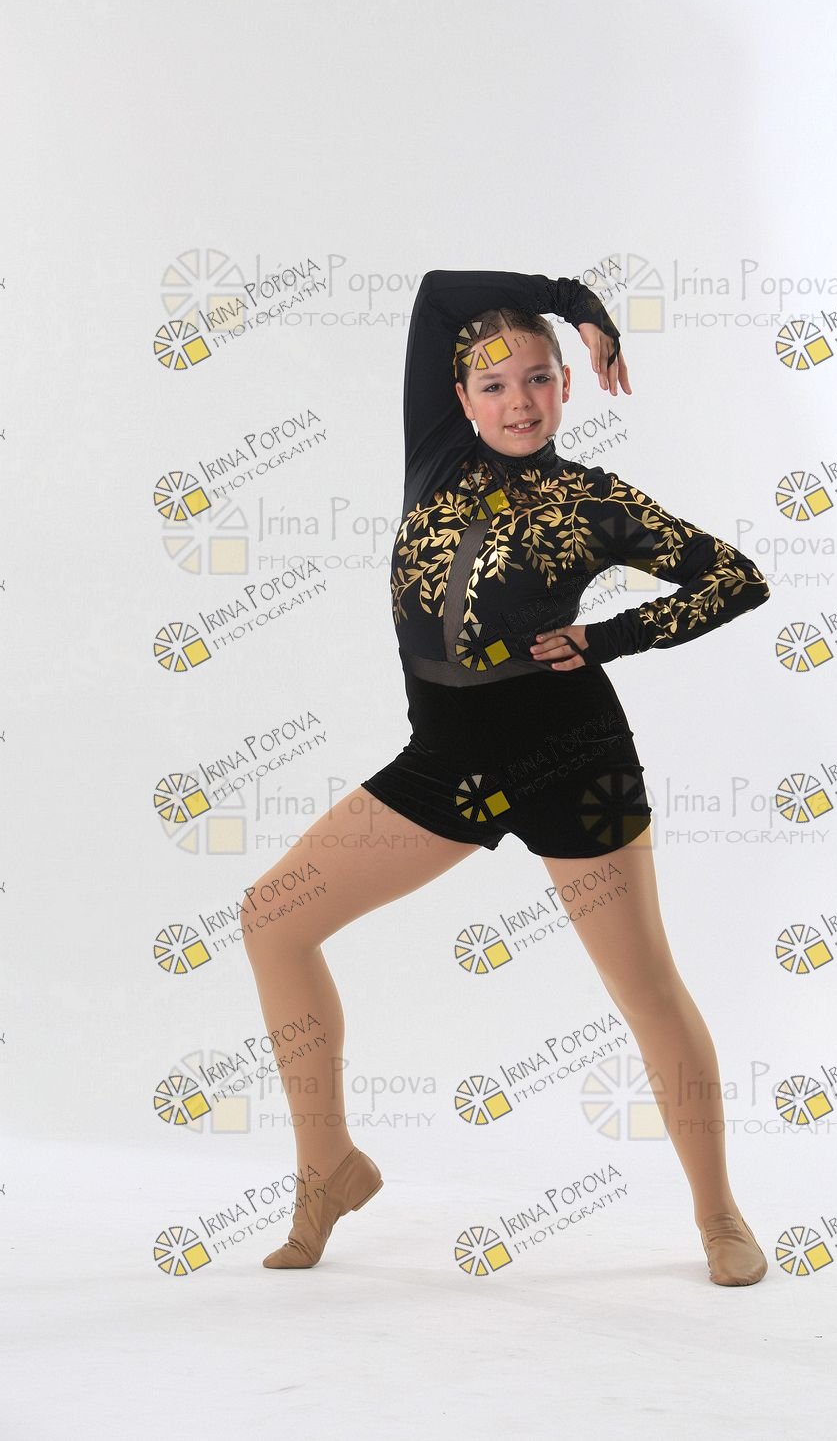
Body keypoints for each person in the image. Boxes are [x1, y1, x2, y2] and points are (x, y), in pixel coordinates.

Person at [241, 267, 773, 1286]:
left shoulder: (594, 499)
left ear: (566, 388)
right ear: (460, 398)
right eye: (494, 384)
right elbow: (440, 292)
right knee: (274, 917)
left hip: (571, 759)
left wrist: (611, 636)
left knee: (645, 988)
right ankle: (328, 1169)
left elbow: (735, 578)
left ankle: (718, 1213)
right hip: (447, 764)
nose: (518, 401)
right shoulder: (435, 455)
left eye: (538, 379)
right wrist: (578, 302)